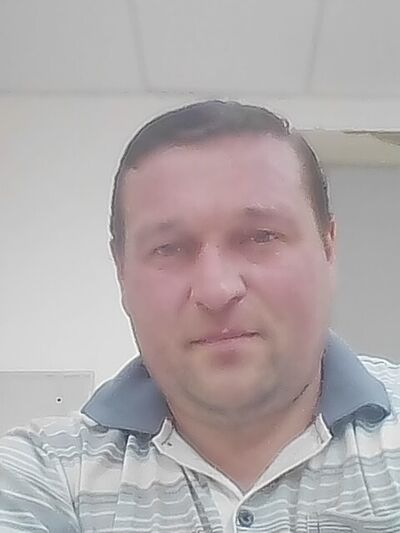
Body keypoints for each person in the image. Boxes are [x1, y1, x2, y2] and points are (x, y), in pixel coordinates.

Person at [0, 101, 399, 533]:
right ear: (121, 273)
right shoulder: (41, 477)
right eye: (169, 248)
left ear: (328, 249)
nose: (216, 290)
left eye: (260, 236)